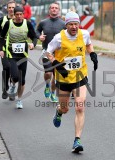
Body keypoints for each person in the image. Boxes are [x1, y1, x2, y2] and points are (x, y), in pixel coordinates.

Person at [46, 11, 98, 153]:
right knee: (65, 109)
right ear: (66, 25)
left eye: (76, 24)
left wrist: (92, 53)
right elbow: (47, 52)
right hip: (63, 79)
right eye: (71, 24)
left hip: (80, 76)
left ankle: (77, 140)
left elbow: (88, 44)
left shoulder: (84, 34)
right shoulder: (59, 38)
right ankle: (59, 111)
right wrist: (56, 63)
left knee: (80, 107)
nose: (74, 27)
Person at [0, 6, 37, 109]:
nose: (19, 16)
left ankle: (19, 100)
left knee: (22, 80)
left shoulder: (27, 23)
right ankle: (12, 85)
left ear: (23, 14)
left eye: (21, 14)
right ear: (14, 15)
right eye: (17, 15)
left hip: (23, 55)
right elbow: (2, 37)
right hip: (11, 54)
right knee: (15, 76)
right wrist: (1, 49)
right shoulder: (9, 23)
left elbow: (34, 37)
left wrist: (33, 44)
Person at [36, 2, 65, 102]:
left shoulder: (63, 24)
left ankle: (52, 93)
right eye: (52, 8)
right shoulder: (43, 22)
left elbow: (68, 36)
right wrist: (39, 37)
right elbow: (37, 31)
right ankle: (47, 85)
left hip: (59, 54)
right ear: (49, 10)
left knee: (55, 77)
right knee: (48, 73)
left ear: (59, 10)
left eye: (56, 8)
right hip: (47, 52)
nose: (54, 9)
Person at [0, 0, 16, 99]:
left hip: (16, 49)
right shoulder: (1, 20)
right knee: (6, 67)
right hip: (4, 47)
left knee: (14, 70)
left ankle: (12, 89)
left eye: (13, 7)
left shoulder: (20, 20)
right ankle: (5, 87)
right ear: (7, 9)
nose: (11, 9)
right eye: (10, 7)